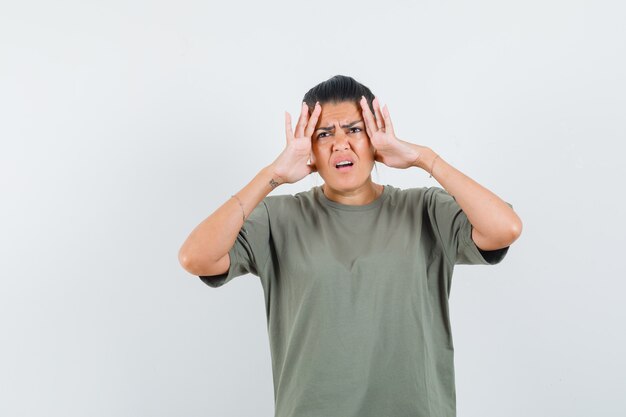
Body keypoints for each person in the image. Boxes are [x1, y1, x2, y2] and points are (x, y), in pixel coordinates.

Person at [178, 74, 522, 417]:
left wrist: (424, 158)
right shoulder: (278, 218)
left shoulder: (425, 210)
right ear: (309, 149)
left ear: (376, 139)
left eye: (354, 130)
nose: (339, 144)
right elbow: (196, 257)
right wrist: (273, 175)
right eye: (324, 134)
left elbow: (504, 228)